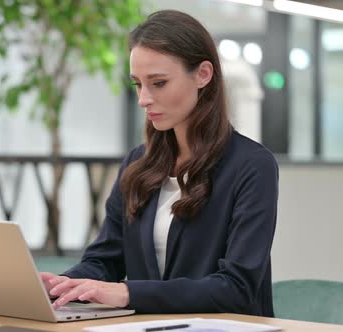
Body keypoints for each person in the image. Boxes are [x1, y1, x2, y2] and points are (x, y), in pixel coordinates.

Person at [40, 9, 279, 317]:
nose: (144, 98)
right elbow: (105, 260)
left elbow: (237, 287)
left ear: (203, 75)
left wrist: (128, 292)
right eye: (138, 84)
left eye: (159, 83)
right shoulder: (137, 163)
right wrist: (62, 285)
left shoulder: (252, 166)